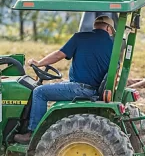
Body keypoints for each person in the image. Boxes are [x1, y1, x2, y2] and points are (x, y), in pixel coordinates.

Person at [14, 15, 115, 144]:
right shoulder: (113, 46)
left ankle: (32, 134)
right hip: (94, 89)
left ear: (96, 25)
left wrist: (39, 63)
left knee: (39, 92)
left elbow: (58, 55)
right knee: (55, 86)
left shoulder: (80, 37)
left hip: (80, 88)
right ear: (108, 28)